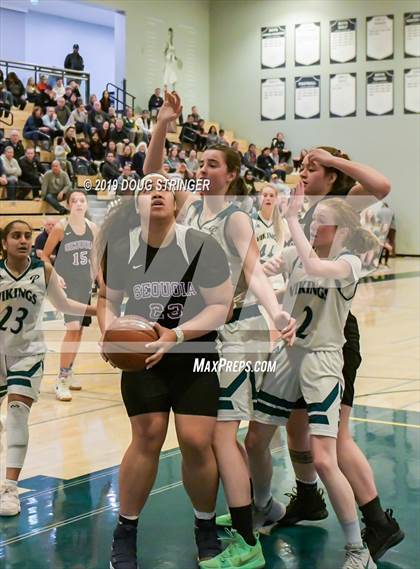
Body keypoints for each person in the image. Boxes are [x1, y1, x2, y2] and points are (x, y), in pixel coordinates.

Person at [144, 92, 296, 569]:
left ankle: (247, 543)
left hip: (241, 331)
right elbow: (152, 174)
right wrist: (162, 126)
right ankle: (257, 509)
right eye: (201, 162)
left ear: (232, 175)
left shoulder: (235, 218)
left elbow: (253, 271)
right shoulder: (190, 207)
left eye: (214, 164)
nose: (203, 168)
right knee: (220, 434)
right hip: (210, 330)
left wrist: (275, 314)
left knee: (220, 436)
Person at [262, 147, 404, 563]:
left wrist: (336, 159)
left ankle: (378, 522)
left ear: (332, 176)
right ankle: (308, 497)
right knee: (293, 424)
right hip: (300, 336)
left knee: (334, 440)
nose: (302, 173)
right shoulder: (302, 206)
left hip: (333, 336)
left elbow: (383, 185)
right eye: (301, 167)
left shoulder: (342, 205)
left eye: (312, 168)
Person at [96, 174, 233, 569]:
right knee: (148, 435)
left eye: (163, 188)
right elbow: (107, 299)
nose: (155, 192)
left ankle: (205, 526)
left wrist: (175, 334)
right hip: (143, 358)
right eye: (146, 188)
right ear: (137, 204)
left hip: (194, 352)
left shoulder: (200, 244)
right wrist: (108, 333)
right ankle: (125, 531)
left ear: (175, 203)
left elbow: (220, 305)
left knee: (194, 440)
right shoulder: (121, 249)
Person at [0, 220, 96, 516]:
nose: (23, 240)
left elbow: (65, 303)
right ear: (4, 243)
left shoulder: (43, 270)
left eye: (27, 236)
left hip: (27, 353)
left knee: (17, 413)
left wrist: (100, 309)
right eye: (16, 236)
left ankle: (9, 490)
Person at [41, 190, 97, 401]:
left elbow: (95, 258)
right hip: (67, 285)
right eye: (75, 201)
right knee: (72, 329)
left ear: (87, 205)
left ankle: (69, 370)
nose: (79, 204)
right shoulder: (61, 227)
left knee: (80, 331)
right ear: (68, 205)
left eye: (82, 200)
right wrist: (54, 276)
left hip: (84, 285)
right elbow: (44, 256)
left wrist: (100, 282)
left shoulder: (93, 228)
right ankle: (61, 379)